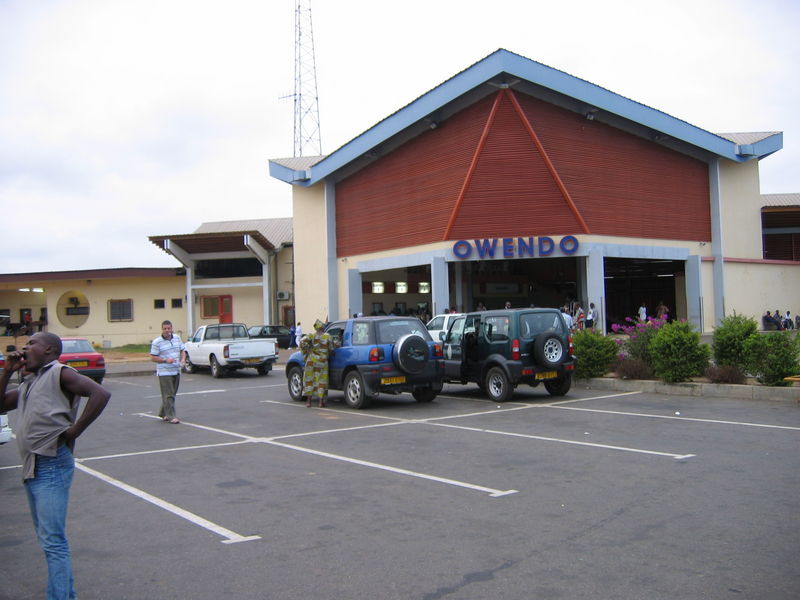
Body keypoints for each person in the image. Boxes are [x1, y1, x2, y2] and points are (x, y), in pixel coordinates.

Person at [0, 332, 111, 600]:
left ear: (49, 350)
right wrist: (7, 371)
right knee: (47, 539)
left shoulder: (59, 373)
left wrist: (75, 431)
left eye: (32, 344)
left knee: (53, 542)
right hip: (32, 466)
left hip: (51, 464)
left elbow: (100, 393)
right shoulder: (30, 382)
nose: (25, 348)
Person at [150, 320, 186, 424]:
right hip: (164, 372)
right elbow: (153, 357)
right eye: (165, 329)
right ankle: (171, 416)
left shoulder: (177, 338)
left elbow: (183, 350)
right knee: (169, 394)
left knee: (171, 394)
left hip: (176, 370)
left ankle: (163, 412)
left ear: (171, 328)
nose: (167, 330)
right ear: (162, 329)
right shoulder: (157, 342)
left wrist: (183, 360)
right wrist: (165, 360)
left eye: (168, 328)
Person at [300, 319, 337, 407]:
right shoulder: (327, 336)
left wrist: (308, 350)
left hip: (311, 361)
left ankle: (309, 402)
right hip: (322, 361)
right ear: (322, 327)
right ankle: (321, 402)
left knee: (309, 380)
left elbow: (301, 342)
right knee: (322, 381)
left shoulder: (311, 336)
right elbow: (332, 349)